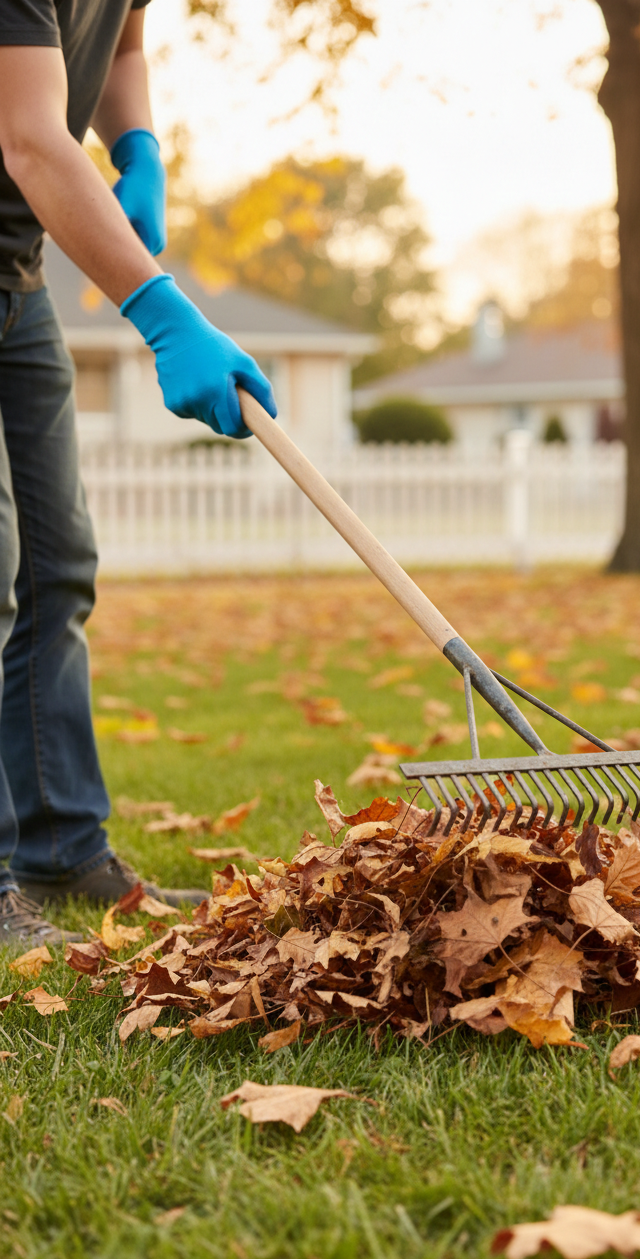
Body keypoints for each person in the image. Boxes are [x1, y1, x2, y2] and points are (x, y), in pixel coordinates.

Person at [0, 1, 277, 947]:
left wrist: (139, 144)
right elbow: (32, 140)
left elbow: (120, 41)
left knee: (56, 563)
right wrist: (163, 313)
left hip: (16, 273)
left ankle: (61, 845)